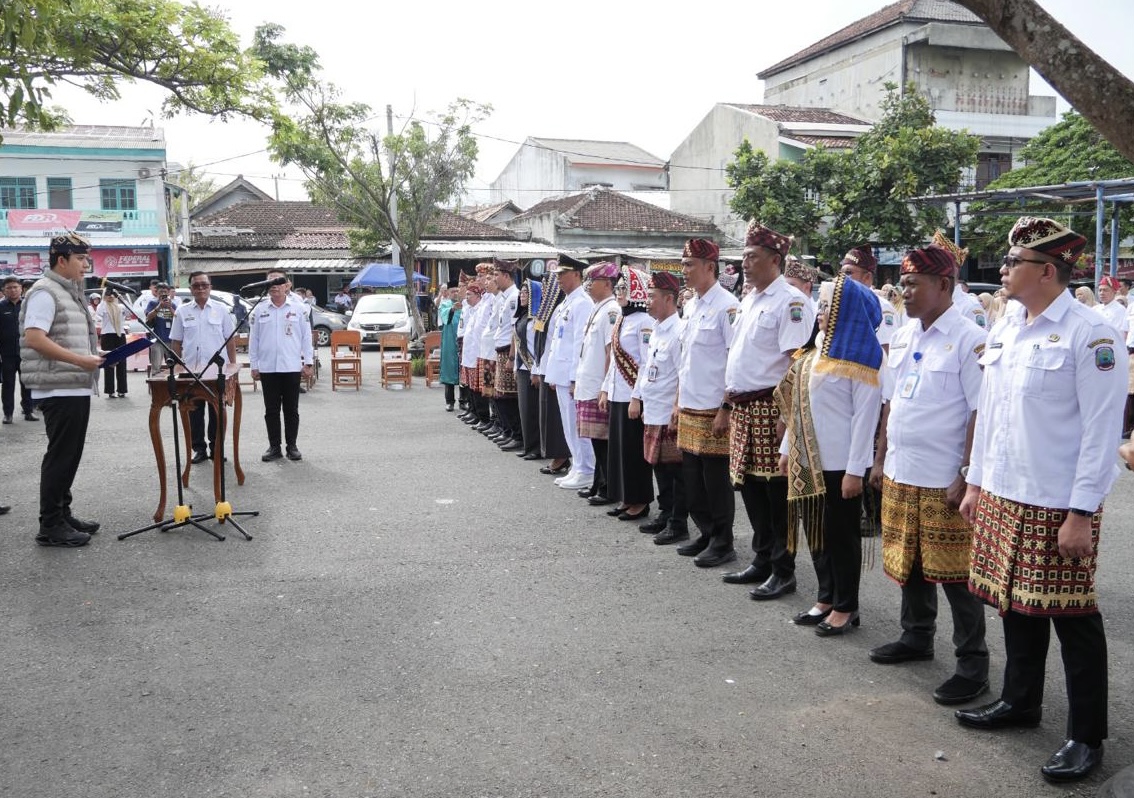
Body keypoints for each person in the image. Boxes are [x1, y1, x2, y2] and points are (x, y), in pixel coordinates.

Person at [956, 216, 1127, 784]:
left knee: (1072, 617)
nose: (1002, 271)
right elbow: (992, 414)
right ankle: (1019, 700)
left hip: (1057, 500)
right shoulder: (1005, 326)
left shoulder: (1090, 332)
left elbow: (1103, 432)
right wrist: (976, 482)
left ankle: (1085, 735)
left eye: (1013, 263)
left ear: (1046, 270)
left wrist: (1081, 512)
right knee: (1013, 603)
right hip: (1005, 490)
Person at [867, 245, 990, 705]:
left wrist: (966, 472)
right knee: (911, 561)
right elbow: (892, 403)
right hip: (902, 469)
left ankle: (972, 665)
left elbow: (981, 412)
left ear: (944, 286)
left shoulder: (970, 338)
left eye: (915, 283)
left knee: (956, 573)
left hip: (944, 476)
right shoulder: (903, 335)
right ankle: (916, 637)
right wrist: (880, 458)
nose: (906, 292)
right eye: (903, 283)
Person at [776, 274, 882, 634]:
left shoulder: (864, 355)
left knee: (841, 535)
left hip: (840, 464)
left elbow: (866, 418)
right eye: (819, 305)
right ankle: (825, 597)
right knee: (816, 534)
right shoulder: (815, 347)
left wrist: (856, 470)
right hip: (807, 456)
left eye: (827, 306)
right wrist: (787, 447)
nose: (820, 312)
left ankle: (846, 606)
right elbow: (799, 405)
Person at [722, 221, 815, 594]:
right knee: (750, 488)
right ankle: (762, 559)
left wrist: (785, 416)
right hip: (743, 407)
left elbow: (797, 365)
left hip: (768, 407)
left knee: (777, 494)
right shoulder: (749, 299)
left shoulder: (791, 302)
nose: (744, 263)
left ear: (775, 259)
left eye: (752, 256)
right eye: (743, 255)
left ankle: (783, 568)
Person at [20, 233, 104, 546]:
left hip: (72, 384)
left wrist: (92, 357)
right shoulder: (45, 292)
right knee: (61, 456)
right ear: (62, 260)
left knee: (69, 456)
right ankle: (50, 525)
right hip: (58, 387)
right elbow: (35, 339)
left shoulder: (67, 291)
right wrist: (82, 361)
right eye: (81, 259)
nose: (86, 265)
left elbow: (65, 337)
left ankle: (62, 512)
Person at [674, 237, 740, 568]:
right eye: (683, 264)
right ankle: (704, 531)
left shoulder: (727, 307)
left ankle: (722, 540)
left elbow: (734, 359)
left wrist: (725, 407)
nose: (683, 270)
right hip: (689, 402)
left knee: (715, 480)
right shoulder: (692, 305)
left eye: (689, 265)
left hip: (713, 406)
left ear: (709, 267)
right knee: (693, 478)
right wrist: (677, 402)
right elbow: (686, 358)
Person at [632, 271, 689, 544]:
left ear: (669, 299)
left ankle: (678, 523)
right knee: (659, 467)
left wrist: (677, 406)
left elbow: (682, 374)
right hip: (653, 408)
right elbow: (648, 368)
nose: (647, 302)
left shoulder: (679, 331)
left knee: (675, 471)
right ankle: (665, 514)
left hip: (669, 411)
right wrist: (642, 399)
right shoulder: (656, 329)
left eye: (652, 297)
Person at [599, 266, 654, 520]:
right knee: (619, 450)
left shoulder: (644, 322)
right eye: (619, 288)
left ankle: (639, 500)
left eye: (624, 288)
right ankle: (624, 496)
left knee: (633, 452)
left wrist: (636, 397)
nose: (620, 292)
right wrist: (604, 390)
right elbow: (614, 361)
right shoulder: (622, 318)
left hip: (632, 396)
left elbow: (644, 363)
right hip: (617, 394)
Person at [170, 271, 237, 465]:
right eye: (196, 285)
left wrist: (232, 366)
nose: (200, 289)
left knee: (217, 411)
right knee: (194, 411)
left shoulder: (221, 309)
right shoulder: (182, 312)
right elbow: (176, 342)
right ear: (190, 289)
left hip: (218, 370)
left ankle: (217, 448)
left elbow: (229, 339)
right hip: (191, 370)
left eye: (204, 285)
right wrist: (176, 366)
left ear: (210, 287)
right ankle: (198, 449)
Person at [249, 270, 314, 462]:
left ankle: (292, 446)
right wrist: (254, 365)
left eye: (279, 281)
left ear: (287, 285)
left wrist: (308, 362)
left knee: (291, 410)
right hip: (268, 367)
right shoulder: (260, 309)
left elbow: (306, 337)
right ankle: (274, 447)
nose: (274, 284)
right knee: (271, 410)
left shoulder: (299, 308)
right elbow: (254, 339)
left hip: (291, 366)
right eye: (270, 281)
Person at [543, 255, 595, 491]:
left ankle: (587, 468)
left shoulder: (582, 303)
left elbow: (579, 344)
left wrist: (575, 377)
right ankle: (577, 465)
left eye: (562, 275)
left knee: (577, 425)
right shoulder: (567, 303)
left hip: (571, 374)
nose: (559, 280)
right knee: (568, 424)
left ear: (576, 274)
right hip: (561, 373)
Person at [574, 262, 620, 502]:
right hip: (588, 383)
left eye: (593, 281)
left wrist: (604, 387)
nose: (589, 285)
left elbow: (610, 352)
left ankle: (607, 488)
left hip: (598, 386)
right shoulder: (598, 308)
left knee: (603, 441)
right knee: (595, 439)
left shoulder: (612, 310)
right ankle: (597, 483)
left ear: (607, 284)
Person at [531, 271, 571, 475]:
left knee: (556, 418)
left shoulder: (558, 308)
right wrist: (536, 368)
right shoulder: (548, 309)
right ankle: (556, 456)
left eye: (549, 286)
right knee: (549, 416)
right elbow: (540, 343)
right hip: (546, 367)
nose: (545, 289)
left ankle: (562, 456)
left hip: (555, 369)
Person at [490, 259, 523, 451]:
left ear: (506, 276)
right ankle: (509, 432)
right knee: (501, 396)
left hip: (507, 352)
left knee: (508, 397)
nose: (494, 279)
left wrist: (512, 357)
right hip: (500, 350)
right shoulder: (505, 298)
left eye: (496, 275)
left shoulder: (514, 297)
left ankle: (517, 435)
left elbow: (514, 331)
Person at [840, 246, 897, 351]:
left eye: (848, 273)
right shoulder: (841, 304)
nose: (842, 278)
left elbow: (886, 349)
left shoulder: (881, 307)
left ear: (867, 277)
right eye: (841, 273)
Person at [513, 279, 543, 458]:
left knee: (532, 411)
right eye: (521, 293)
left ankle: (536, 448)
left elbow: (539, 346)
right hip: (523, 367)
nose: (522, 296)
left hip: (533, 369)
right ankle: (528, 445)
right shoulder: (523, 316)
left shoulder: (537, 318)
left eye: (526, 293)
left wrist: (535, 370)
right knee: (524, 410)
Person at [0, 276, 36, 423]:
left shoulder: (29, 305)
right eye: (9, 288)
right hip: (7, 353)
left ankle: (29, 411)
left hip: (26, 352)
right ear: (3, 290)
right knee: (8, 385)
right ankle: (8, 414)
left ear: (21, 288)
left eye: (15, 287)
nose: (13, 290)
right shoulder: (1, 307)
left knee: (27, 383)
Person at [94, 290, 129, 398]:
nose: (110, 297)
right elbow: (98, 314)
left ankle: (122, 390)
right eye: (108, 295)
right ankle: (110, 391)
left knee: (122, 363)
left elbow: (129, 310)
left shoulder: (121, 306)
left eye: (112, 295)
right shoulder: (104, 306)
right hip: (107, 335)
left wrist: (121, 296)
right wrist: (104, 299)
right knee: (109, 362)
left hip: (120, 335)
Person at [144, 282, 176, 377]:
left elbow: (178, 318)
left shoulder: (173, 305)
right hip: (157, 339)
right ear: (157, 293)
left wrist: (169, 307)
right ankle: (155, 387)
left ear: (169, 293)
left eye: (165, 292)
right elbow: (148, 317)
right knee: (156, 368)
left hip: (171, 340)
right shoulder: (152, 303)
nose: (163, 294)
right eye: (160, 292)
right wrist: (159, 306)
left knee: (173, 366)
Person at [439, 284, 462, 412]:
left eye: (457, 291)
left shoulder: (466, 305)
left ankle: (464, 401)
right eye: (453, 291)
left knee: (464, 370)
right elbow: (445, 318)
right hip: (449, 341)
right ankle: (450, 401)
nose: (455, 293)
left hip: (463, 341)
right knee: (449, 370)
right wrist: (453, 309)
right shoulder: (445, 304)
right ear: (448, 292)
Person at [1094, 275, 1128, 339]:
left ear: (1114, 292)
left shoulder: (1120, 310)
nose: (1101, 293)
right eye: (1100, 290)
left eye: (1105, 290)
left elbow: (1119, 333)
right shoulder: (1095, 308)